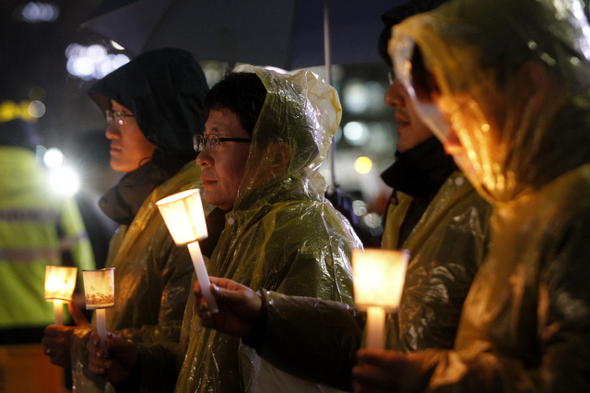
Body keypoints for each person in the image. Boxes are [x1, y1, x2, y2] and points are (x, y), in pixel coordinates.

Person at [184, 1, 492, 391]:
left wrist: (424, 379)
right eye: (204, 138)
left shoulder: (314, 238)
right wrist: (264, 318)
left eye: (410, 76)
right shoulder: (412, 200)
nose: (391, 96)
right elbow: (375, 338)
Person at [351, 0, 590, 391]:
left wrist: (431, 379)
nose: (452, 142)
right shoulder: (522, 205)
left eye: (466, 111)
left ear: (531, 86)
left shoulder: (574, 209)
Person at [85, 65, 361, 393]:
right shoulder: (235, 228)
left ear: (275, 154)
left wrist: (266, 322)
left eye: (217, 140)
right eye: (204, 139)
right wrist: (139, 366)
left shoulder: (311, 239)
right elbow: (200, 366)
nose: (202, 156)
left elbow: (322, 369)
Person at [41, 48, 214, 393]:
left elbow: (186, 339)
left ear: (162, 118)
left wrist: (83, 343)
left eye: (122, 115)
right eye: (110, 116)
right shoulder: (141, 207)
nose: (110, 132)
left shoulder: (187, 207)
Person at [0, 117, 95, 341]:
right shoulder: (51, 187)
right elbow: (78, 245)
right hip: (47, 316)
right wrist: (91, 295)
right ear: (32, 147)